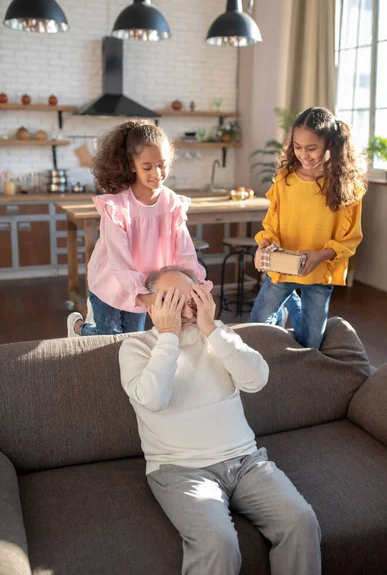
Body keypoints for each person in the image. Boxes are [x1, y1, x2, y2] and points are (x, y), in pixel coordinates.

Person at [119, 265, 321, 575]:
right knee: (218, 542)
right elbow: (153, 399)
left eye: (192, 299)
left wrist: (212, 329)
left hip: (246, 462)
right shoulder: (136, 348)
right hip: (179, 471)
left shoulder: (217, 335)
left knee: (300, 520)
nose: (185, 310)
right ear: (150, 305)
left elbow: (257, 380)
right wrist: (168, 337)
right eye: (172, 300)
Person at [67, 119, 211, 337]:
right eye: (147, 167)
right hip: (110, 283)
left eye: (162, 164)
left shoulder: (172, 203)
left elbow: (184, 251)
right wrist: (143, 296)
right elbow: (119, 261)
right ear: (132, 165)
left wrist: (195, 284)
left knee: (134, 340)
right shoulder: (117, 206)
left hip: (143, 284)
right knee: (108, 342)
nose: (157, 173)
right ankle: (79, 329)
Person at [249, 107, 367, 349]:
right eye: (297, 147)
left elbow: (350, 238)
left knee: (311, 342)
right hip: (282, 267)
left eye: (311, 148)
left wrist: (320, 255)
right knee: (258, 324)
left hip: (319, 271)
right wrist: (265, 243)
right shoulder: (285, 180)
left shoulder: (347, 187)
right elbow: (271, 224)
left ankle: (291, 300)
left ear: (330, 145)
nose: (304, 154)